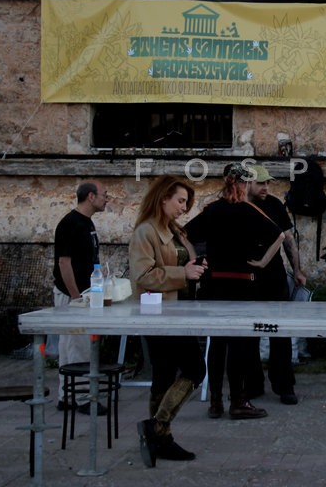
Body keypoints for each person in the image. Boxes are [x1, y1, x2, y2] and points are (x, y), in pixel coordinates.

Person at [186, 163, 285, 420]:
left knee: (216, 343)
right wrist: (262, 262)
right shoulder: (249, 210)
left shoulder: (212, 210)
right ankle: (238, 399)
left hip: (214, 285)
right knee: (239, 344)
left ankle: (216, 401)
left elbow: (183, 234)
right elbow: (280, 236)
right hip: (242, 284)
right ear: (242, 184)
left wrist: (195, 258)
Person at [129, 175, 208, 467]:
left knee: (165, 374)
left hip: (180, 311)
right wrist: (183, 274)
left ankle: (160, 436)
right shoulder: (145, 232)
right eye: (180, 201)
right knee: (194, 369)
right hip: (159, 313)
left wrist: (196, 267)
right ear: (163, 199)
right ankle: (157, 429)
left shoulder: (174, 229)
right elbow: (143, 276)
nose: (184, 207)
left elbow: (181, 262)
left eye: (186, 202)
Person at [247, 163, 303, 405]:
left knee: (280, 330)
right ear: (247, 183)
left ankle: (284, 385)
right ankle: (252, 384)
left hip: (275, 276)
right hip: (248, 278)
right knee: (248, 331)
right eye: (260, 182)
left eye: (267, 182)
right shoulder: (239, 206)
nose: (265, 187)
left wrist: (297, 269)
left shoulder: (274, 205)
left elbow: (288, 239)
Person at [51, 181, 108, 414]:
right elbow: (64, 262)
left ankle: (67, 396)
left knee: (69, 346)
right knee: (78, 346)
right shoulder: (70, 223)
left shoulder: (87, 223)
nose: (107, 199)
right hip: (73, 295)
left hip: (84, 293)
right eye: (105, 195)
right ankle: (83, 397)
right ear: (91, 197)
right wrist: (75, 296)